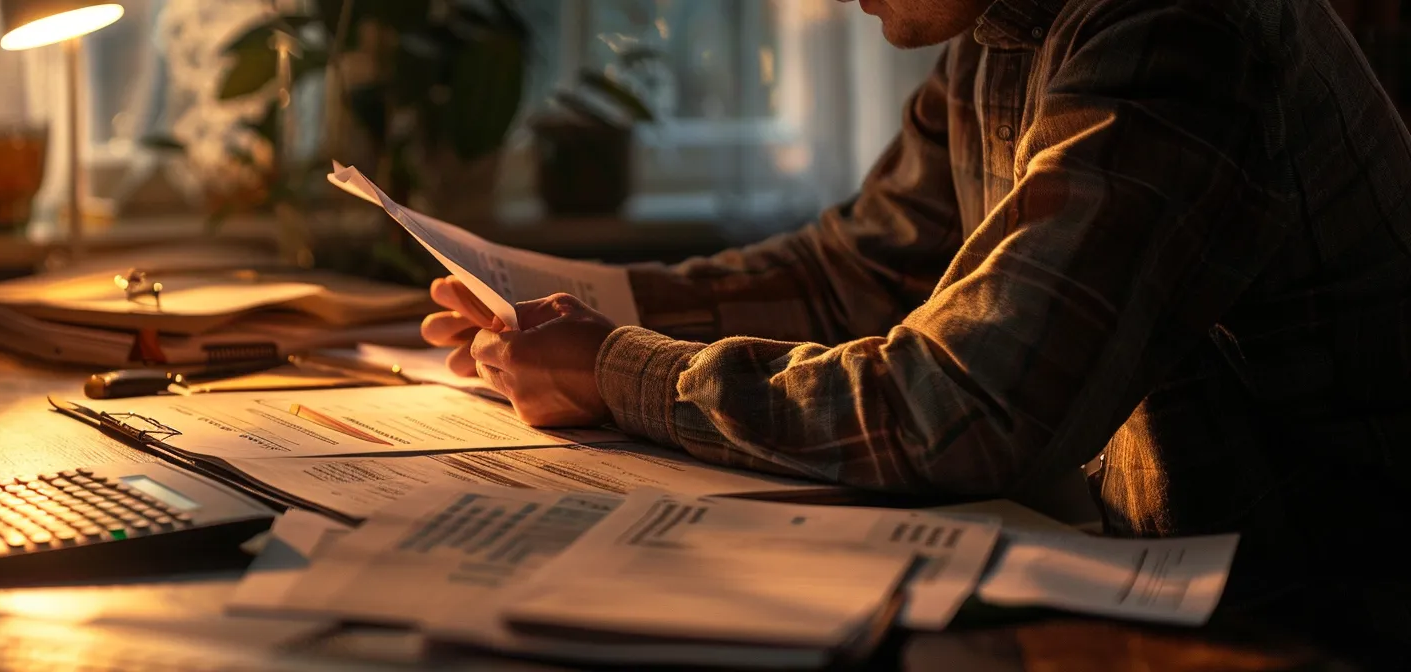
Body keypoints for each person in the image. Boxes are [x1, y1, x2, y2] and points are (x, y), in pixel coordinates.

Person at [423, 0, 1411, 664]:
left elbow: (965, 407)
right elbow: (854, 270)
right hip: (1162, 602)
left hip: (1299, 629)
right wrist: (546, 308)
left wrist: (613, 366)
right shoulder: (1002, 37)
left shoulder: (1169, 31)